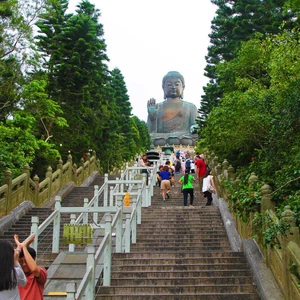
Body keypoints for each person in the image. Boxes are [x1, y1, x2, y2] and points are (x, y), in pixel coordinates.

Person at [14, 234, 47, 300]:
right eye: (21, 261)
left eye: (26, 261)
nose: (24, 264)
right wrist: (19, 248)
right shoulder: (16, 274)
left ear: (34, 259)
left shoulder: (41, 272)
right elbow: (13, 260)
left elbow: (34, 269)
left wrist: (24, 248)